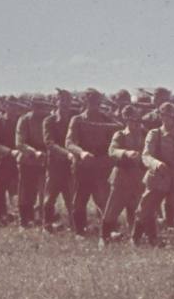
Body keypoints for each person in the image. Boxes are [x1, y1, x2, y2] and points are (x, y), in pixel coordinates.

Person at [137, 103, 174, 246]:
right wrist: (157, 164)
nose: (172, 120)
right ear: (162, 117)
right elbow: (146, 155)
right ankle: (137, 238)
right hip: (158, 177)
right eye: (168, 116)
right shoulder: (154, 134)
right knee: (145, 209)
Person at [65, 89, 116, 236]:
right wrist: (81, 153)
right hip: (83, 165)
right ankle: (80, 232)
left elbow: (115, 137)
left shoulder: (106, 119)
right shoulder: (77, 119)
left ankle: (108, 231)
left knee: (103, 199)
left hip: (101, 166)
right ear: (85, 102)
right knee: (80, 199)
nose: (95, 105)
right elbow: (69, 142)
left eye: (97, 102)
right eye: (91, 102)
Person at [99, 105, 148, 248]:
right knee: (112, 209)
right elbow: (112, 150)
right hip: (121, 177)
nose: (135, 124)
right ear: (126, 120)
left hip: (138, 177)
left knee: (139, 209)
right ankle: (104, 237)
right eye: (132, 120)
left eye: (137, 120)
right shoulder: (120, 135)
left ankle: (135, 238)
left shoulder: (144, 135)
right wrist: (126, 153)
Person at [15, 96, 53, 228]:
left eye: (42, 106)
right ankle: (23, 220)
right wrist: (34, 152)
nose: (40, 109)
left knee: (44, 192)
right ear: (32, 106)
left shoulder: (48, 119)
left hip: (45, 160)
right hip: (28, 160)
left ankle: (42, 219)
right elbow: (20, 143)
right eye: (37, 106)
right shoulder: (24, 120)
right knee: (26, 192)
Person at [42, 90, 77, 230]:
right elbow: (49, 143)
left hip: (72, 165)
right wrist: (67, 154)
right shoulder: (49, 121)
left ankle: (74, 225)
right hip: (55, 165)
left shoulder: (75, 119)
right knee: (50, 197)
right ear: (56, 102)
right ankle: (47, 225)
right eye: (61, 101)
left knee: (71, 198)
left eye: (67, 102)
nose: (65, 105)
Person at [0, 99, 24, 226]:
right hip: (2, 161)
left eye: (15, 106)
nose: (13, 109)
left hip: (17, 161)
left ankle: (15, 215)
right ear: (5, 107)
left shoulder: (19, 121)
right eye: (10, 106)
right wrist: (9, 151)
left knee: (16, 190)